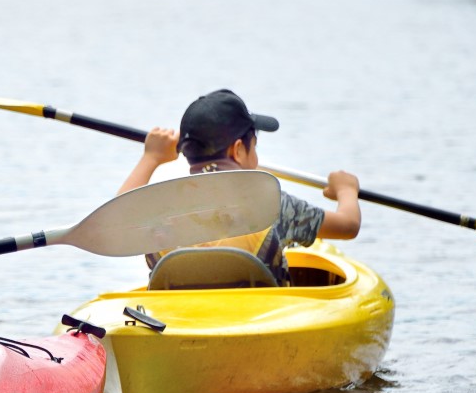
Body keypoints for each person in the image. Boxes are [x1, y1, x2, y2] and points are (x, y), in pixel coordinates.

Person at [117, 89, 361, 285]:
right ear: (238, 150)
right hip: (258, 320)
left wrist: (151, 157)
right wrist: (346, 190)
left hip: (178, 321)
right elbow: (348, 226)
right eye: (254, 147)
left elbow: (115, 222)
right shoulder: (271, 203)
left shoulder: (161, 207)